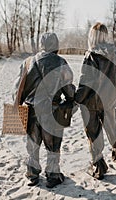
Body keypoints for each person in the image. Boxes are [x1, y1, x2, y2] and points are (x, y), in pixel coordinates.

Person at [75, 22, 116, 180]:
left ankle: (98, 167)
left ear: (92, 37)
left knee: (94, 134)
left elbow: (86, 83)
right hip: (109, 100)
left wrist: (77, 98)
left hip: (92, 103)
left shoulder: (91, 55)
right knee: (113, 129)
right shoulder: (115, 53)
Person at [19, 33, 75, 188]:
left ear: (41, 45)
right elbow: (68, 88)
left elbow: (17, 89)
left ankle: (32, 175)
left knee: (32, 145)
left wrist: (19, 105)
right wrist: (71, 100)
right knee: (53, 146)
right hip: (52, 111)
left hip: (31, 110)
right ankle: (52, 176)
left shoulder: (28, 62)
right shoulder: (61, 62)